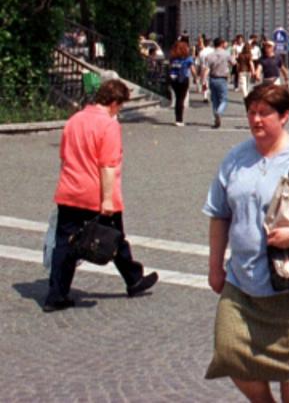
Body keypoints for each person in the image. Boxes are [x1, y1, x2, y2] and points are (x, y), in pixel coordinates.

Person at [204, 84, 289, 402]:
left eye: (264, 113)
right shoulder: (236, 158)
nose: (256, 120)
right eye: (251, 112)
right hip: (242, 280)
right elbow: (218, 214)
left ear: (284, 116)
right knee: (230, 353)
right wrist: (214, 268)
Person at [44, 79, 159, 312]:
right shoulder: (108, 125)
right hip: (95, 193)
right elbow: (107, 165)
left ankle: (56, 295)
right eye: (120, 106)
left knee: (64, 245)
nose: (120, 111)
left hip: (69, 190)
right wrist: (107, 198)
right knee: (114, 237)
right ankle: (134, 279)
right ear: (114, 103)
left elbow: (64, 157)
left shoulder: (74, 120)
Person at [167, 40, 196, 126]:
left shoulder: (172, 58)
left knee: (177, 98)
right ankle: (179, 120)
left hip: (173, 79)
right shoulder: (188, 58)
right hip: (183, 79)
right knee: (181, 99)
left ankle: (177, 118)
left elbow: (169, 68)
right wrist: (195, 77)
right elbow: (193, 70)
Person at [206, 38, 233, 129]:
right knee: (224, 99)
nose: (226, 44)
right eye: (225, 43)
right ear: (221, 44)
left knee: (214, 100)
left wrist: (203, 80)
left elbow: (206, 68)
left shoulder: (210, 55)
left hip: (212, 78)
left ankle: (215, 119)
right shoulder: (226, 54)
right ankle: (219, 112)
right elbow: (234, 62)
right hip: (222, 78)